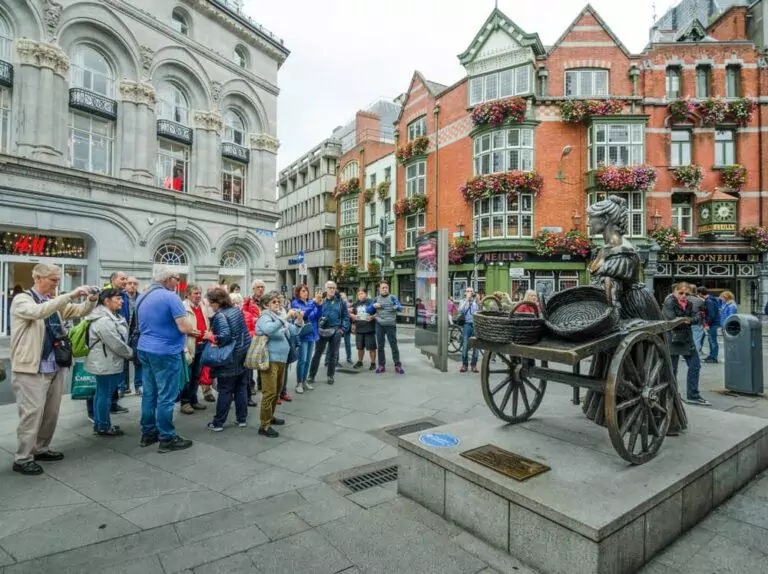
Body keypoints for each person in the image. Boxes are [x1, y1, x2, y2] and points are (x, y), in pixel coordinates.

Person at [9, 264, 98, 475]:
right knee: (32, 414)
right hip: (30, 368)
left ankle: (41, 448)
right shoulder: (23, 300)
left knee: (51, 413)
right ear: (38, 278)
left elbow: (78, 311)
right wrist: (70, 295)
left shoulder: (52, 301)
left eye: (58, 280)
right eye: (54, 280)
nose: (57, 284)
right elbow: (38, 312)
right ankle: (23, 458)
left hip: (55, 365)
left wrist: (91, 300)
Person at [136, 266, 198, 452]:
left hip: (145, 348)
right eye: (176, 279)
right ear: (168, 279)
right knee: (167, 396)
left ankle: (148, 433)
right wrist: (193, 329)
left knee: (149, 393)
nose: (178, 283)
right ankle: (167, 437)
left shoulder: (143, 296)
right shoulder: (171, 297)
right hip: (165, 351)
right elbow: (185, 327)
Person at [84, 289, 135, 437]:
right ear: (107, 301)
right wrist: (131, 354)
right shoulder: (103, 319)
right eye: (118, 299)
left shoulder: (110, 316)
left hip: (108, 361)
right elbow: (115, 342)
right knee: (104, 394)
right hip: (105, 362)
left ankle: (100, 424)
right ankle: (104, 426)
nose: (122, 301)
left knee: (102, 393)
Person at [256, 291, 303, 437]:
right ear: (266, 305)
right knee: (269, 393)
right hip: (269, 359)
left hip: (281, 359)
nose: (278, 304)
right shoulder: (265, 317)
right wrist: (285, 317)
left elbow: (292, 331)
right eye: (274, 302)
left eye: (278, 301)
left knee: (276, 392)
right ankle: (264, 426)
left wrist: (299, 321)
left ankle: (270, 417)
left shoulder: (278, 317)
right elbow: (269, 330)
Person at [205, 288, 252, 432]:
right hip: (242, 355)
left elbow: (224, 337)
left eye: (210, 303)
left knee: (225, 390)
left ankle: (218, 423)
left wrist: (210, 337)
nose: (210, 306)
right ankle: (241, 419)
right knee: (241, 388)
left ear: (217, 302)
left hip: (229, 359)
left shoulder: (220, 316)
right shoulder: (236, 311)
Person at [663, 283, 710, 406]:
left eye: (687, 294)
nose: (684, 296)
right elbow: (672, 321)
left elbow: (696, 318)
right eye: (681, 293)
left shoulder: (689, 304)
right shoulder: (669, 303)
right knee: (672, 370)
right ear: (675, 292)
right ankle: (670, 395)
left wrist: (686, 320)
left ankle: (693, 395)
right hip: (672, 339)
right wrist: (687, 319)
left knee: (695, 365)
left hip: (687, 339)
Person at [307, 281, 349, 385]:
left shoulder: (341, 302)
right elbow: (313, 315)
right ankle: (311, 376)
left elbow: (346, 316)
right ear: (326, 289)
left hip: (336, 330)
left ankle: (330, 376)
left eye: (333, 288)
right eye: (330, 287)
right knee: (317, 353)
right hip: (322, 330)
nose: (332, 289)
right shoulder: (320, 300)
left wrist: (342, 329)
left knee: (333, 355)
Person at [180, 285, 211, 414]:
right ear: (187, 294)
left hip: (202, 345)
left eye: (200, 293)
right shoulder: (182, 307)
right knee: (188, 376)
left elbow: (207, 323)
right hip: (189, 346)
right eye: (195, 293)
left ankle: (194, 399)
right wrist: (190, 333)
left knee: (197, 375)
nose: (198, 295)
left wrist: (207, 333)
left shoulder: (202, 306)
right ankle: (185, 402)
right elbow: (179, 329)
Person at [367, 281, 404, 375]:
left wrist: (397, 307)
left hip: (391, 324)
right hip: (379, 324)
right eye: (383, 288)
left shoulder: (393, 297)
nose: (384, 289)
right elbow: (368, 310)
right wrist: (373, 306)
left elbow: (400, 307)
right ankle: (381, 365)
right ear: (379, 289)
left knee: (393, 345)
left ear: (388, 288)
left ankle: (397, 365)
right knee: (380, 346)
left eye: (386, 287)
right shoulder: (376, 299)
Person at [290, 285, 321, 393]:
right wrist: (314, 303)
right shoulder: (295, 303)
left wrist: (319, 305)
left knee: (308, 360)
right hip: (303, 334)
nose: (306, 293)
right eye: (303, 291)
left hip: (312, 333)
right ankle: (299, 383)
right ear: (298, 293)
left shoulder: (310, 303)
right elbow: (304, 315)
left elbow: (317, 316)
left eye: (306, 291)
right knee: (302, 360)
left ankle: (304, 381)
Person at [242, 287, 262, 407]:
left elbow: (252, 329)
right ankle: (246, 393)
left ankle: (248, 394)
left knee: (249, 370)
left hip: (250, 342)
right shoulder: (244, 309)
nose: (260, 289)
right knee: (245, 372)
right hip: (242, 346)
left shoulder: (248, 314)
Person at [125, 276, 143, 396]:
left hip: (136, 333)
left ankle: (138, 385)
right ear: (125, 285)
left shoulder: (141, 298)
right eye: (130, 283)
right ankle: (124, 386)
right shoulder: (120, 297)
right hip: (123, 332)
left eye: (135, 283)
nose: (132, 285)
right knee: (123, 360)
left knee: (138, 361)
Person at [351, 288, 377, 370]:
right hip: (359, 328)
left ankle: (373, 363)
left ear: (366, 294)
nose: (360, 295)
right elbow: (351, 313)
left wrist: (373, 316)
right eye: (358, 294)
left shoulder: (371, 302)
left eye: (362, 293)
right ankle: (360, 362)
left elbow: (379, 312)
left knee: (371, 347)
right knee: (360, 347)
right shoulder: (355, 304)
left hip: (369, 328)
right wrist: (353, 321)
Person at [457, 287, 480, 373]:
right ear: (465, 293)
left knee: (476, 346)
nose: (469, 292)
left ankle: (474, 365)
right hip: (466, 325)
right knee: (465, 345)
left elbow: (480, 311)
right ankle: (464, 364)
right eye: (468, 291)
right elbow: (460, 310)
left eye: (471, 291)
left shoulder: (475, 302)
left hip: (475, 325)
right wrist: (467, 300)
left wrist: (478, 301)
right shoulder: (462, 301)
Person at [703, 288, 723, 363]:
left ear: (701, 293)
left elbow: (711, 314)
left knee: (712, 340)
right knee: (711, 340)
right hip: (715, 322)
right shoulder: (712, 299)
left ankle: (713, 357)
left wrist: (707, 324)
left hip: (712, 323)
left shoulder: (708, 301)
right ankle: (712, 355)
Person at [690, 286, 709, 355]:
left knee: (690, 339)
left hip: (685, 322)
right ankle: (695, 354)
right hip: (696, 322)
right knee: (696, 339)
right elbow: (703, 310)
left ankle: (687, 354)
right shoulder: (699, 300)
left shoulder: (682, 299)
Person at [340, 292, 354, 365]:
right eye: (342, 297)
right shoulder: (338, 304)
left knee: (348, 343)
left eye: (345, 297)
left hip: (347, 326)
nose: (344, 299)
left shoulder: (349, 305)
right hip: (339, 326)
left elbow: (351, 315)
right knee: (336, 344)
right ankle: (334, 360)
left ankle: (349, 358)